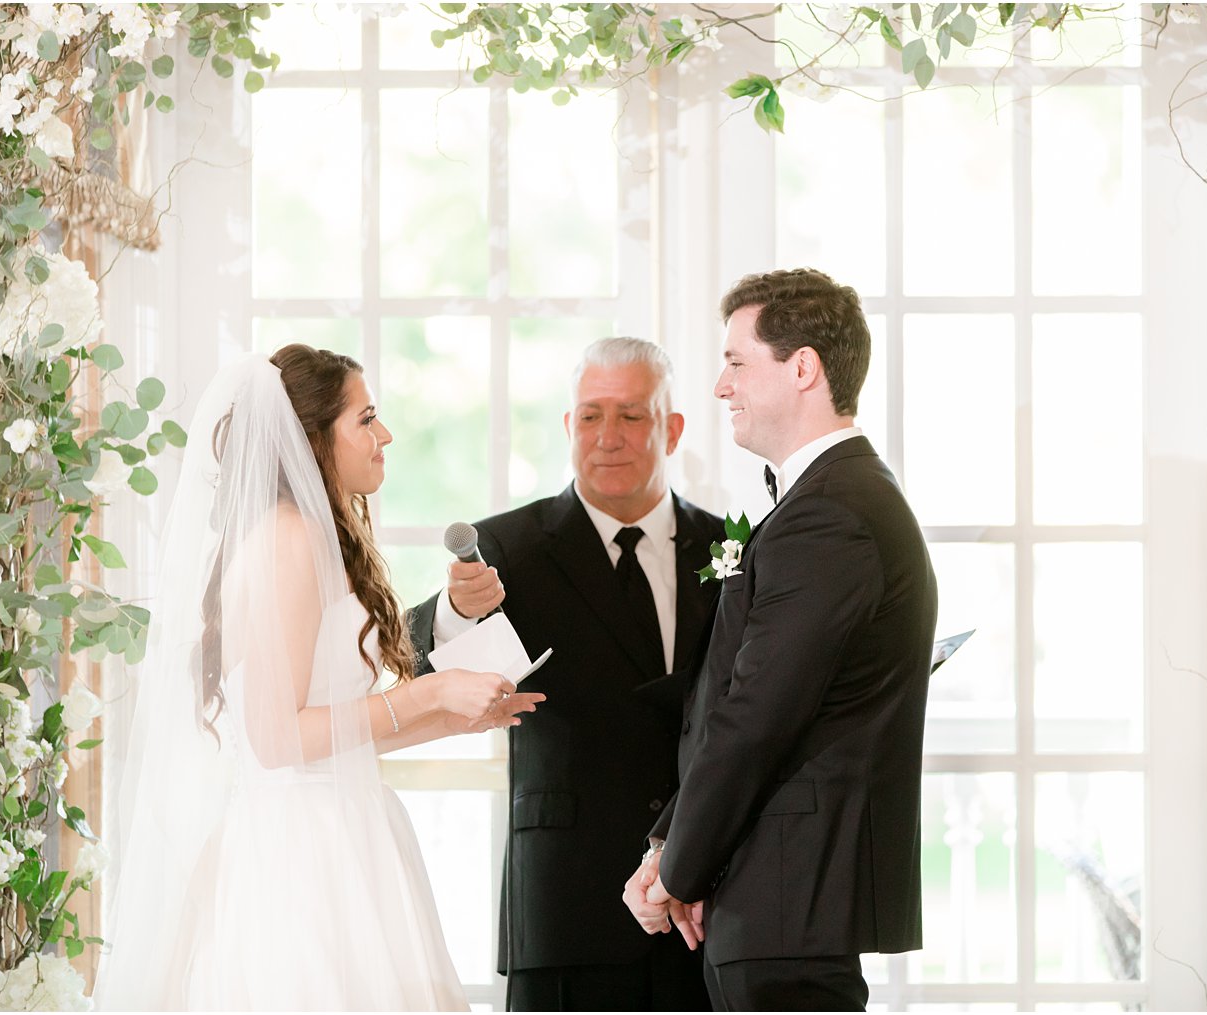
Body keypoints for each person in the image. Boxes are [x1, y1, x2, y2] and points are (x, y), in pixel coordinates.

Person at [96, 346, 543, 1010]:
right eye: (366, 419)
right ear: (312, 439)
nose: (385, 434)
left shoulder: (312, 534)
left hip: (341, 829)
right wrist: (428, 690)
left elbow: (326, 733)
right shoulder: (287, 539)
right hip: (296, 858)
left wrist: (450, 717)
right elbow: (276, 739)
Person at [622, 269, 939, 1011]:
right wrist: (675, 850)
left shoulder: (830, 513)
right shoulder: (834, 500)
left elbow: (757, 714)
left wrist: (675, 867)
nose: (719, 387)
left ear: (803, 368)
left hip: (790, 896)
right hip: (775, 899)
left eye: (736, 361)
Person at [408, 338, 720, 1011]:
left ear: (671, 428)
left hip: (707, 905)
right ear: (567, 427)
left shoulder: (732, 549)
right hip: (564, 904)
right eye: (589, 416)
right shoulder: (506, 548)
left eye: (631, 416)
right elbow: (413, 665)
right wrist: (457, 612)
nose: (608, 437)